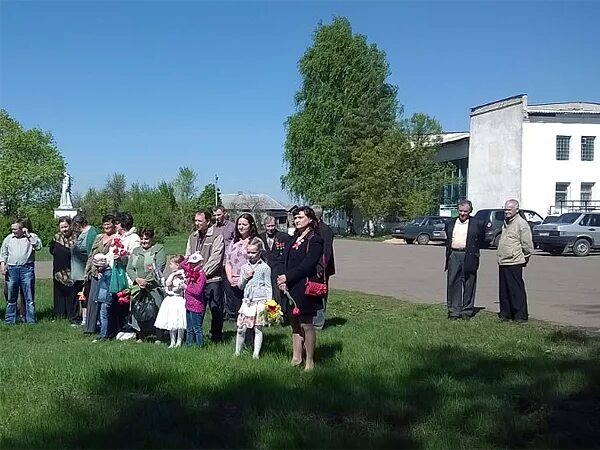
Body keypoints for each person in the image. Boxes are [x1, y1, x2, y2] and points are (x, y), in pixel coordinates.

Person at [277, 206, 325, 371]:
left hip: (304, 286)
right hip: (290, 286)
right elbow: (285, 261)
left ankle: (310, 361)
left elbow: (307, 265)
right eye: (295, 218)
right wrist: (283, 280)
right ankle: (296, 358)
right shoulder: (292, 239)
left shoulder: (315, 240)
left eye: (301, 218)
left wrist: (287, 277)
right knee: (294, 324)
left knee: (306, 324)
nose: (297, 220)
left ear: (310, 220)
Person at [185, 210, 225, 342]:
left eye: (200, 221)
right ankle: (197, 336)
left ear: (208, 221)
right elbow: (188, 255)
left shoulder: (217, 236)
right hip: (195, 280)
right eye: (195, 220)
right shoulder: (193, 237)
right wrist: (190, 273)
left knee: (215, 308)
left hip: (212, 279)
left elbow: (216, 258)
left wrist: (201, 274)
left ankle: (216, 336)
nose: (197, 223)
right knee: (196, 308)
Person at [444, 199, 485, 320]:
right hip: (454, 255)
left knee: (469, 283)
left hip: (470, 255)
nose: (462, 214)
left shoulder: (477, 223)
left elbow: (481, 239)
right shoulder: (450, 223)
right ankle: (454, 311)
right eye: (460, 211)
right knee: (453, 283)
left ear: (470, 211)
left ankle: (466, 311)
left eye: (465, 211)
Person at [126, 228, 166, 341]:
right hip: (137, 286)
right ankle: (140, 335)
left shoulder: (159, 249)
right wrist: (137, 280)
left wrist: (146, 281)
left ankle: (159, 336)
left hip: (153, 287)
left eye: (147, 239)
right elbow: (129, 268)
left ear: (152, 239)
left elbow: (159, 267)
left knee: (156, 310)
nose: (144, 241)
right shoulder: (135, 250)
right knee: (137, 309)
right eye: (142, 239)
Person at [497, 199, 534, 322]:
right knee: (504, 291)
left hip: (515, 261)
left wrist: (525, 257)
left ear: (516, 210)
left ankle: (520, 316)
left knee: (516, 290)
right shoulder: (506, 222)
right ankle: (506, 314)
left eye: (509, 209)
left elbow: (527, 245)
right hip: (503, 261)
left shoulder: (521, 224)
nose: (507, 212)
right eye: (505, 209)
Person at [235, 237, 272, 358]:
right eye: (248, 252)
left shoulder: (265, 267)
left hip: (260, 301)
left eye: (253, 252)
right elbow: (240, 286)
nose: (250, 255)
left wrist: (269, 303)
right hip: (247, 302)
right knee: (241, 328)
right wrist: (245, 277)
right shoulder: (244, 267)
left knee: (258, 328)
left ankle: (256, 354)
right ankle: (237, 352)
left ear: (259, 252)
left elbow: (268, 286)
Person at [1, 218, 42, 324]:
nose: (13, 231)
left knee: (29, 297)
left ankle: (31, 320)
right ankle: (10, 320)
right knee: (11, 297)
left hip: (27, 269)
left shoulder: (32, 237)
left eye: (15, 229)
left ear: (22, 228)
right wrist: (2, 265)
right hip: (12, 269)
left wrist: (28, 235)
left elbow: (38, 247)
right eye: (12, 229)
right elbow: (4, 253)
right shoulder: (9, 238)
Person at [83, 215, 118, 339]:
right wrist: (90, 270)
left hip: (106, 273)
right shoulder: (98, 237)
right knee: (92, 299)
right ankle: (90, 327)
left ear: (114, 225)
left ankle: (106, 330)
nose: (107, 227)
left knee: (104, 302)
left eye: (109, 224)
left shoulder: (116, 238)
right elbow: (92, 254)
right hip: (94, 271)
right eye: (105, 224)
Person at [225, 213, 259, 321]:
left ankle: (252, 336)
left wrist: (245, 278)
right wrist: (230, 278)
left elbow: (259, 263)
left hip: (249, 282)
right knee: (238, 312)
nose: (241, 227)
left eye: (244, 224)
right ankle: (241, 335)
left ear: (251, 225)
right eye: (239, 224)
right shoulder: (234, 242)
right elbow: (228, 261)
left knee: (250, 312)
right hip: (234, 282)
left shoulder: (256, 241)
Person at [259, 215, 291, 316]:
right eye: (268, 226)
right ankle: (267, 313)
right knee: (267, 292)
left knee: (279, 293)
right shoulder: (260, 237)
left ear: (276, 225)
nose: (270, 229)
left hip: (279, 268)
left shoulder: (284, 237)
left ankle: (281, 314)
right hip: (265, 267)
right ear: (264, 226)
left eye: (272, 226)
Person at [114, 212, 141, 333]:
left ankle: (130, 327)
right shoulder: (118, 237)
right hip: (118, 272)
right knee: (119, 300)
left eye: (117, 223)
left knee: (128, 299)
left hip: (128, 273)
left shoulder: (134, 238)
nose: (116, 226)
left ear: (123, 224)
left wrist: (122, 258)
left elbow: (134, 257)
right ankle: (120, 326)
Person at [48, 216, 79, 323]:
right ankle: (59, 316)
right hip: (58, 271)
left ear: (70, 226)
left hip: (73, 271)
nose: (64, 229)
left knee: (72, 295)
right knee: (59, 295)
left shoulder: (77, 237)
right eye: (62, 227)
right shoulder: (56, 238)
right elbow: (51, 250)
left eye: (66, 226)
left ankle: (73, 317)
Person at [71, 214, 98, 327]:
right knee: (81, 296)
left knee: (86, 295)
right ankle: (83, 319)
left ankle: (88, 320)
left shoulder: (91, 233)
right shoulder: (81, 234)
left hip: (86, 271)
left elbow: (92, 252)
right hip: (78, 272)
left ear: (78, 224)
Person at [311, 205, 335, 330]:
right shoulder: (313, 228)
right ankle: (312, 319)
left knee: (320, 293)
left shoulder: (325, 230)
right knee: (311, 292)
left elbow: (326, 252)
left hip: (321, 269)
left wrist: (320, 268)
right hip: (312, 267)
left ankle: (319, 323)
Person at [154, 255, 187, 348]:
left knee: (179, 321)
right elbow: (167, 284)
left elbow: (178, 288)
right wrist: (173, 275)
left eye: (171, 264)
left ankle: (179, 341)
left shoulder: (182, 276)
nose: (169, 266)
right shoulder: (172, 275)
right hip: (170, 299)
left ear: (177, 265)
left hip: (178, 300)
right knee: (171, 320)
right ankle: (172, 341)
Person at [181, 252, 207, 347]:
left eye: (195, 264)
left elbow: (198, 291)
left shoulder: (201, 276)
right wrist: (189, 256)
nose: (192, 266)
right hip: (189, 304)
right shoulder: (191, 272)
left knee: (197, 328)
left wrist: (186, 287)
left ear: (200, 263)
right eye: (191, 263)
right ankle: (189, 344)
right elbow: (182, 264)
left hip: (196, 305)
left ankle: (199, 346)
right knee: (189, 328)